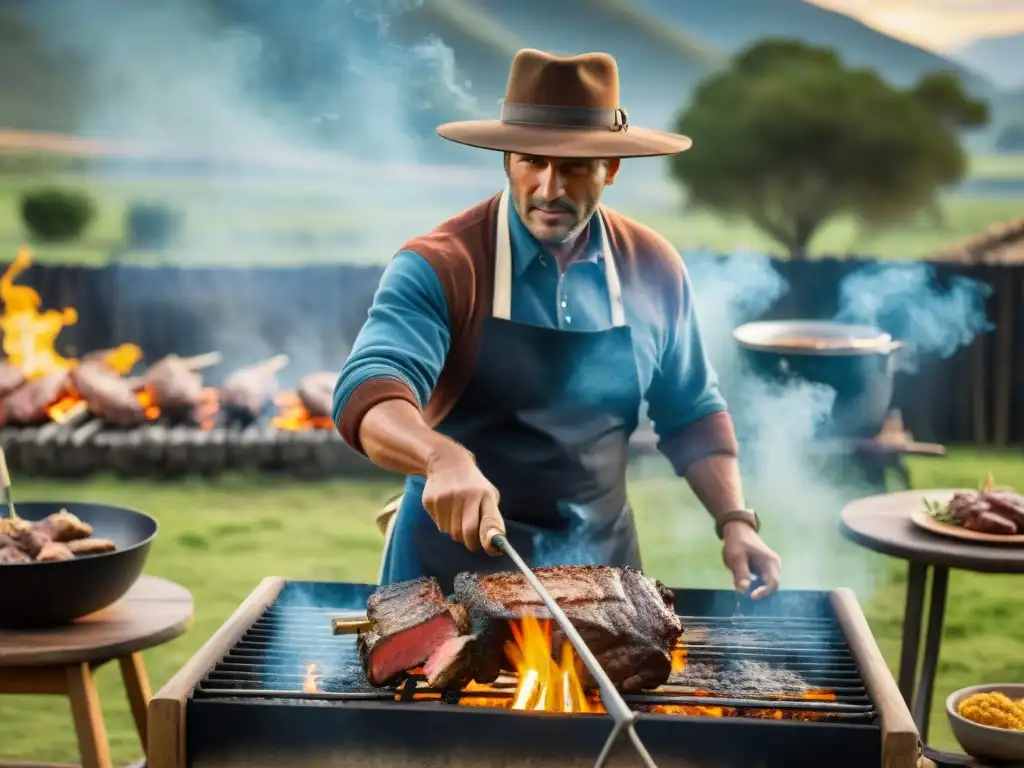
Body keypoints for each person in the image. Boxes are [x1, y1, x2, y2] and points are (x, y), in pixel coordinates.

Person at [333, 48, 783, 598]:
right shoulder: (443, 265)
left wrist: (735, 521)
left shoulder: (654, 268)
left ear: (611, 168)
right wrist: (440, 456)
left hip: (600, 583)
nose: (550, 188)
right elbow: (370, 391)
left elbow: (691, 413)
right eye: (531, 161)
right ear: (505, 160)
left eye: (573, 166)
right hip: (444, 581)